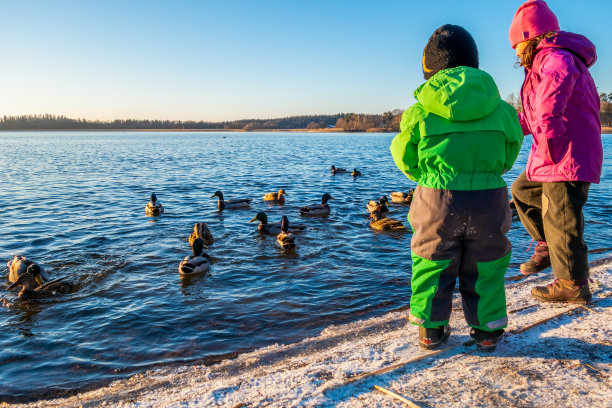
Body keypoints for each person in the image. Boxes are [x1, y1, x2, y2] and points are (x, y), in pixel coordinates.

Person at [390, 25, 523, 351]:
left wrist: (427, 175)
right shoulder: (500, 107)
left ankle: (430, 330)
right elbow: (513, 144)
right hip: (489, 197)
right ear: (474, 62)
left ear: (430, 68)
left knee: (431, 260)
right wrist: (494, 171)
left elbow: (404, 154)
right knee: (488, 262)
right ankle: (488, 330)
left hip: (437, 195)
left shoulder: (419, 110)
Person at [508, 0, 602, 304]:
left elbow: (549, 105)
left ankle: (572, 283)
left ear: (528, 37)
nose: (516, 53)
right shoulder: (545, 61)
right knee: (522, 190)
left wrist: (548, 137)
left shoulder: (555, 58)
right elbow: (533, 114)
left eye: (516, 46)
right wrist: (508, 128)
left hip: (565, 154)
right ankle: (547, 244)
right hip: (555, 152)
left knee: (562, 215)